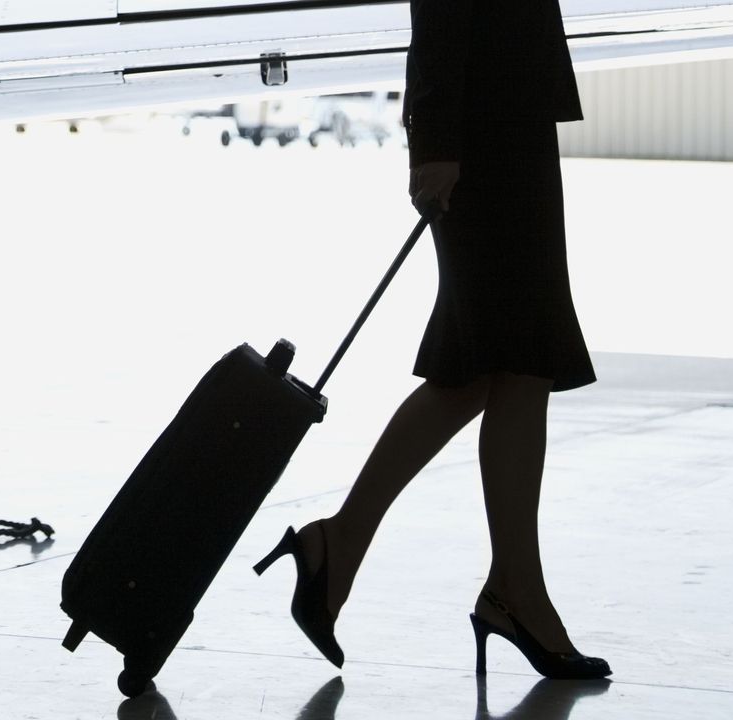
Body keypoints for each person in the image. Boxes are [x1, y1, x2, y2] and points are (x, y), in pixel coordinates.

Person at [253, 0, 611, 679]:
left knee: (498, 363)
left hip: (509, 114)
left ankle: (354, 548)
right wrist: (437, 139)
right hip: (480, 127)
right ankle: (503, 588)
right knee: (503, 358)